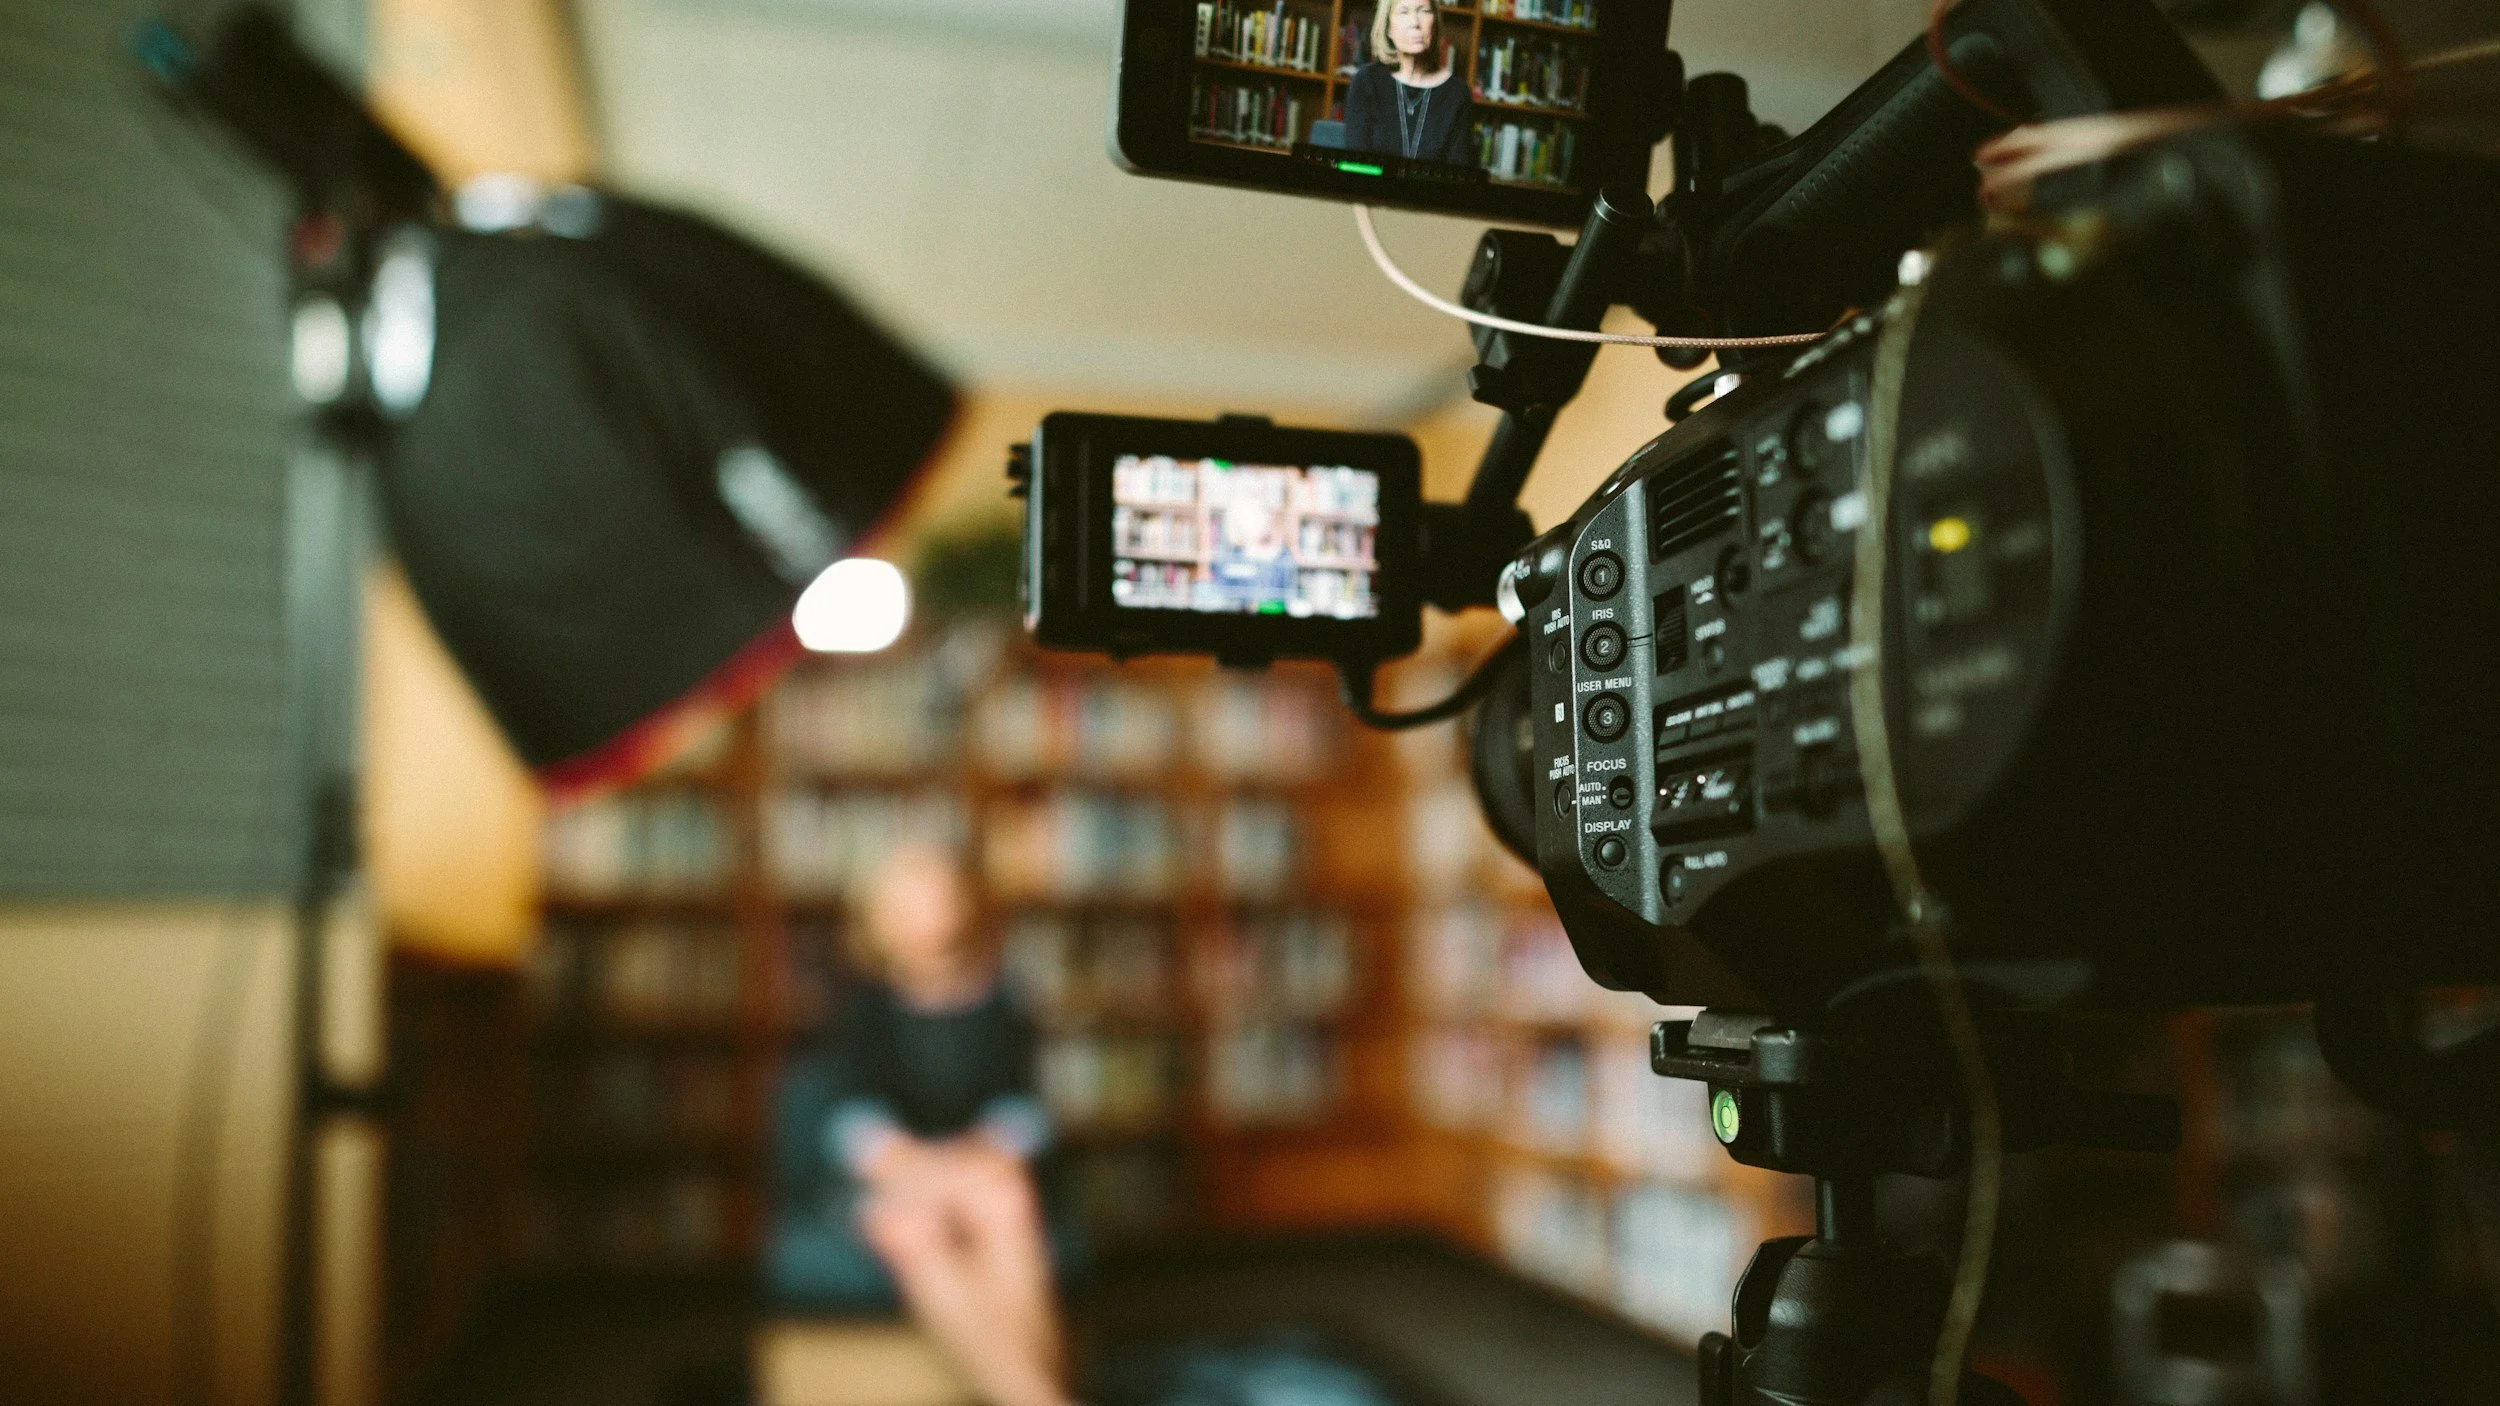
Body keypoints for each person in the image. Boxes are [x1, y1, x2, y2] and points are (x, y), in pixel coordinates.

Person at [768, 840, 1078, 1406]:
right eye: (904, 904)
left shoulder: (1002, 999)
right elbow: (851, 1117)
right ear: (877, 919)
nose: (921, 915)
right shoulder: (861, 1004)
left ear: (959, 905)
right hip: (895, 1177)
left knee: (1006, 1204)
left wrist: (979, 1155)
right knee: (913, 1229)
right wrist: (914, 1165)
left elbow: (1023, 1108)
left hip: (979, 1169)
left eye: (932, 898)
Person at [1339, 0, 1477, 168]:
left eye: (1424, 11)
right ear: (1388, 28)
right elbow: (1355, 166)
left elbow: (1458, 178)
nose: (1415, 23)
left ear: (1435, 23)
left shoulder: (1458, 93)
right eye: (1404, 12)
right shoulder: (1366, 81)